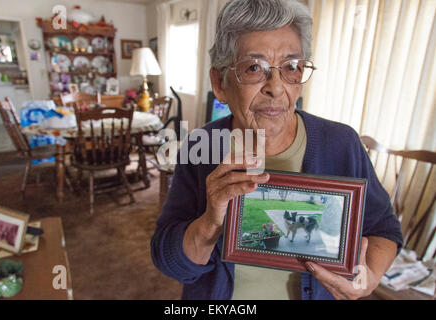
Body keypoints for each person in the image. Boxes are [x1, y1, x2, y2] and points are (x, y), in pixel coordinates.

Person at [151, 0, 403, 300]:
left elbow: (385, 230)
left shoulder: (342, 143)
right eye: (254, 67)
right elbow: (169, 263)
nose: (276, 87)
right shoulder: (200, 147)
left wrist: (367, 278)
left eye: (291, 67)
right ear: (221, 82)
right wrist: (210, 223)